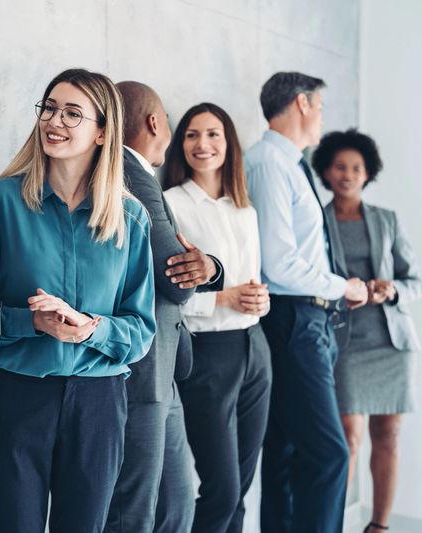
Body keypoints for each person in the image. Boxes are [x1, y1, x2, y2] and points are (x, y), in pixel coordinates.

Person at [0, 68, 156, 533]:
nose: (55, 120)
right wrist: (33, 324)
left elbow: (141, 330)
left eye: (74, 113)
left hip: (98, 404)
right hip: (14, 397)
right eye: (50, 108)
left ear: (102, 132)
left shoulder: (130, 218)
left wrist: (92, 327)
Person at [245, 71, 368, 533]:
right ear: (301, 103)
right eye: (319, 106)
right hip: (294, 318)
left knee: (288, 450)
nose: (320, 117)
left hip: (305, 318)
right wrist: (345, 286)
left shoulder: (289, 163)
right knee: (329, 452)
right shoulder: (270, 164)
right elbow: (279, 264)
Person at [105, 81, 224, 533]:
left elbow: (185, 266)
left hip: (163, 369)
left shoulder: (138, 176)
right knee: (135, 509)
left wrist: (207, 265)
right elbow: (175, 280)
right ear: (156, 121)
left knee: (176, 500)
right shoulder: (130, 176)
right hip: (142, 369)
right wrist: (198, 267)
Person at [163, 102, 271, 533]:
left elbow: (253, 281)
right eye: (191, 135)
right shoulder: (172, 205)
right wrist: (223, 299)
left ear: (229, 144)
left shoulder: (245, 209)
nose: (202, 144)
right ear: (179, 144)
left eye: (213, 134)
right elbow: (168, 296)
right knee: (221, 490)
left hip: (255, 349)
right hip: (208, 353)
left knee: (241, 489)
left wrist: (258, 301)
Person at [313, 129, 421, 533]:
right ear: (326, 170)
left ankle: (379, 526)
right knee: (347, 438)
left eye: (356, 167)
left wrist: (391, 289)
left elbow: (414, 280)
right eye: (340, 166)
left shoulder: (386, 220)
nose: (348, 174)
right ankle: (334, 522)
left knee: (388, 434)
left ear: (367, 173)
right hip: (344, 342)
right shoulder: (318, 221)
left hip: (391, 342)